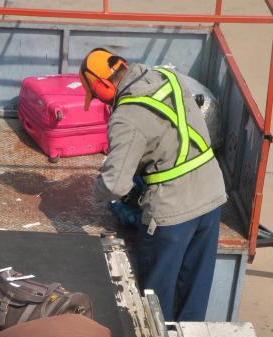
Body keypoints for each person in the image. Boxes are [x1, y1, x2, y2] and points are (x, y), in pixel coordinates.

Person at [79, 48, 227, 321]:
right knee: (194, 296)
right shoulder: (167, 77)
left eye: (96, 94)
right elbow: (168, 134)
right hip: (212, 198)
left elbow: (115, 186)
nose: (99, 101)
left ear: (102, 84)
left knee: (157, 306)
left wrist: (94, 189)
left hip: (172, 215)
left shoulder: (127, 117)